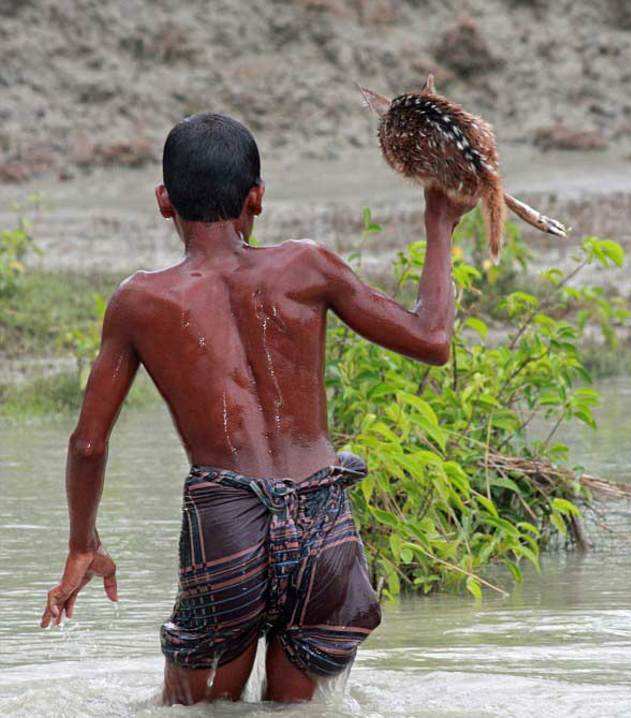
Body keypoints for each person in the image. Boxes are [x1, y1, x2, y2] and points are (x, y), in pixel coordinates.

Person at [40, 113, 477, 704]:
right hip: (324, 520)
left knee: (197, 711)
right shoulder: (308, 266)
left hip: (228, 524)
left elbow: (88, 444)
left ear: (164, 201)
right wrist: (440, 221)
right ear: (258, 199)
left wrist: (82, 544)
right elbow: (432, 339)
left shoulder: (140, 301)